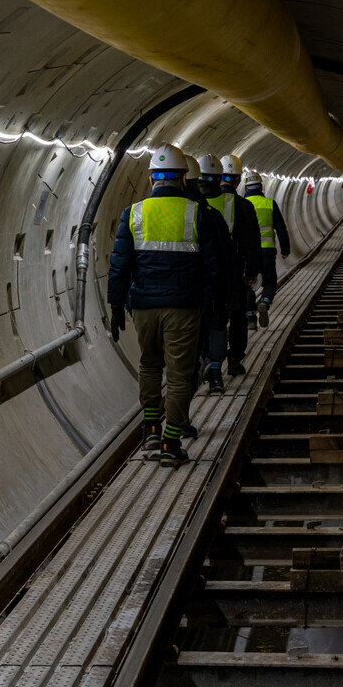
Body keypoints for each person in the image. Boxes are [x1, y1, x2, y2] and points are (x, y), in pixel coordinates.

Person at [108, 144, 225, 466]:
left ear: (151, 180)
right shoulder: (196, 213)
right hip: (184, 307)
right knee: (179, 375)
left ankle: (151, 429)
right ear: (184, 180)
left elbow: (119, 266)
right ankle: (171, 445)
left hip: (144, 306)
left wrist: (116, 306)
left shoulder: (132, 213)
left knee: (149, 365)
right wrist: (217, 303)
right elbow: (213, 264)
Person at [182, 155, 235, 395]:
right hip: (208, 288)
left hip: (180, 294)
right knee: (215, 326)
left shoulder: (141, 211)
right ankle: (215, 373)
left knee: (186, 344)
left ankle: (181, 406)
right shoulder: (210, 214)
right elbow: (223, 255)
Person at [207, 154, 262, 378]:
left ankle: (212, 363)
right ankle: (235, 360)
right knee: (238, 316)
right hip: (236, 272)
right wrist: (252, 271)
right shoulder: (244, 206)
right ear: (238, 180)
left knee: (215, 316)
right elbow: (252, 242)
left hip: (211, 272)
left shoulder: (205, 203)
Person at [243, 171, 289, 329]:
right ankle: (265, 302)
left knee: (247, 283)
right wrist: (285, 249)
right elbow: (281, 228)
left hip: (248, 253)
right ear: (262, 187)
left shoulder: (241, 204)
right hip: (267, 251)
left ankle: (250, 316)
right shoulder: (269, 203)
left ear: (245, 189)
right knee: (269, 282)